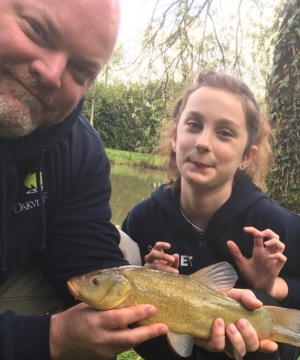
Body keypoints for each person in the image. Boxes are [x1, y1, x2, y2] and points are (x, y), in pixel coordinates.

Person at [0, 1, 279, 359]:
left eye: (81, 69)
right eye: (36, 30)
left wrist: (191, 303)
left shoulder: (79, 148)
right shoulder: (152, 209)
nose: (52, 73)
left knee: (124, 254)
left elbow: (84, 259)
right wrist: (48, 338)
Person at [121, 68, 300, 360]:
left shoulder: (277, 225)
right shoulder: (142, 219)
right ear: (174, 136)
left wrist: (271, 286)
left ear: (247, 156)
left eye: (224, 132)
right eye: (193, 124)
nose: (203, 142)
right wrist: (148, 281)